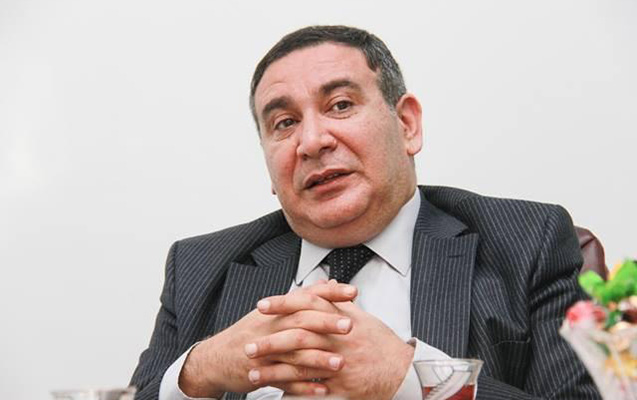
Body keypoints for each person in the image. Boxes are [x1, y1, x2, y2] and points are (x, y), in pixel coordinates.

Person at [130, 25, 601, 399]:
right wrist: (197, 373)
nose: (312, 142)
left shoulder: (528, 242)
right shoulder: (198, 268)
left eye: (340, 105)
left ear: (407, 125)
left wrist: (412, 379)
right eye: (284, 123)